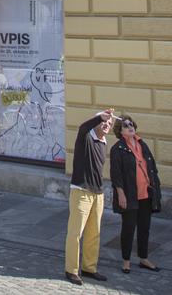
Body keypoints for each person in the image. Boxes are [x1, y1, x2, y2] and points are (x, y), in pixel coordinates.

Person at [64, 108, 115, 284]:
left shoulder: (103, 142)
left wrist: (100, 192)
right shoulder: (86, 137)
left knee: (94, 234)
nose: (107, 125)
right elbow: (83, 127)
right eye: (104, 122)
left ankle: (89, 268)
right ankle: (71, 270)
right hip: (81, 190)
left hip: (97, 193)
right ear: (97, 122)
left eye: (109, 123)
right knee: (75, 233)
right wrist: (100, 117)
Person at [110, 116, 162, 274]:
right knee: (128, 228)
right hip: (130, 194)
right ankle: (126, 261)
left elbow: (151, 166)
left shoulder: (142, 144)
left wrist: (156, 188)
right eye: (125, 125)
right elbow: (116, 174)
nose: (130, 127)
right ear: (120, 131)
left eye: (131, 124)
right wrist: (120, 194)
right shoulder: (117, 148)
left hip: (146, 193)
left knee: (144, 227)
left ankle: (143, 258)